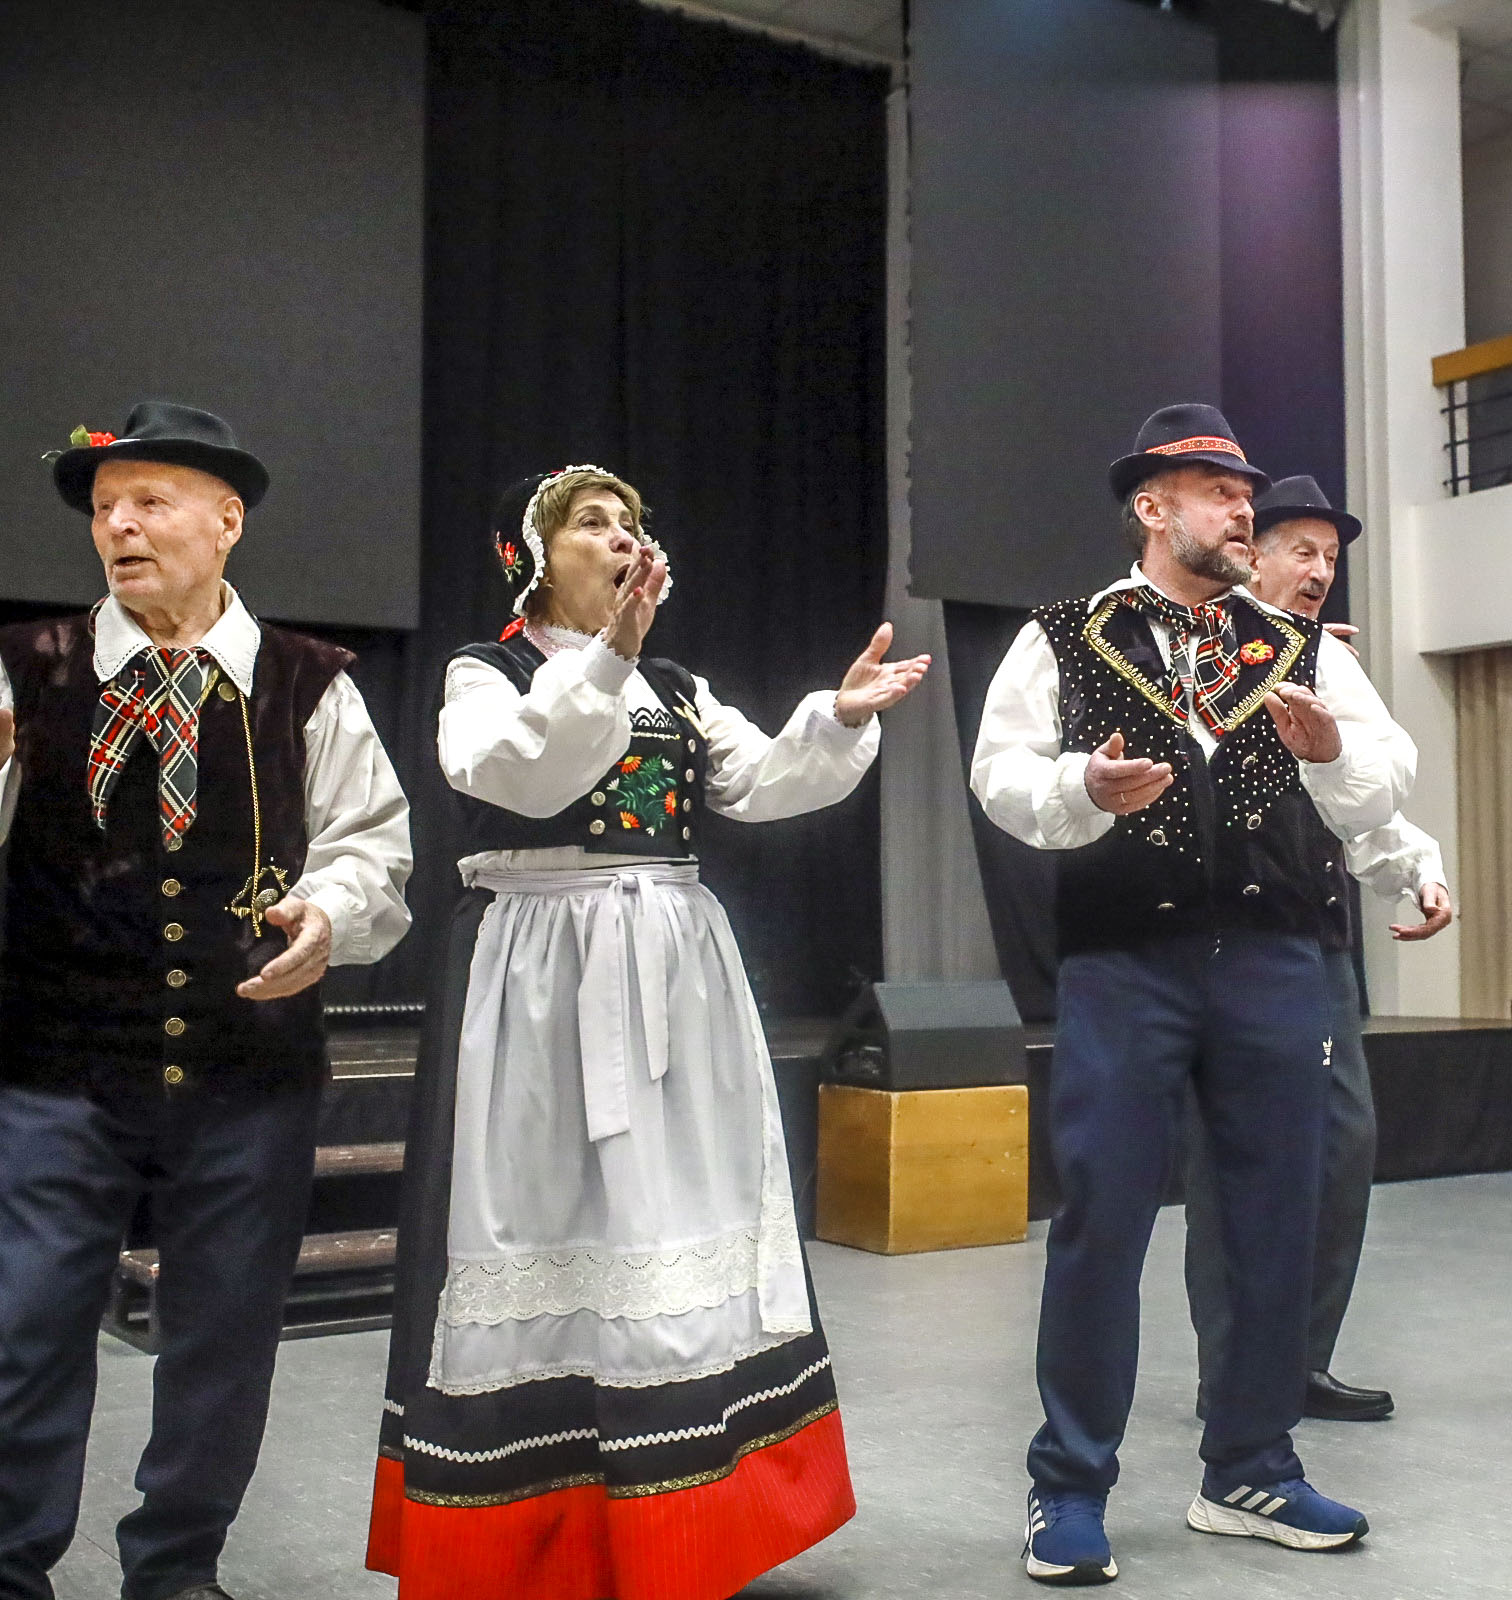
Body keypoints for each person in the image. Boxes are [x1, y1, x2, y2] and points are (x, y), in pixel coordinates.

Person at [368, 465, 928, 1600]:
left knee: (673, 1210)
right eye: (592, 523)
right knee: (547, 1207)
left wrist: (836, 716)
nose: (622, 538)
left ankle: (684, 1517)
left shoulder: (675, 683)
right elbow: (522, 776)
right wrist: (607, 658)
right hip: (540, 970)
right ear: (532, 554)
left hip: (671, 964)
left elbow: (758, 781)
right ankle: (541, 1527)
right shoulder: (484, 673)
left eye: (632, 523)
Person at [971, 407, 1413, 1584]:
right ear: (1152, 506)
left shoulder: (1304, 648)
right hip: (1126, 960)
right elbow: (1001, 774)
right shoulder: (1065, 635)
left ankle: (1251, 1465)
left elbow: (1384, 785)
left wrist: (1330, 756)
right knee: (1103, 1218)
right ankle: (1069, 1483)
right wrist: (1082, 785)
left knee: (1275, 1214)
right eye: (1219, 490)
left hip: (1274, 961)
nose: (1243, 508)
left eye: (1244, 491)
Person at [0, 402, 414, 1600]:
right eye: (104, 509)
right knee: (23, 1330)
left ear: (226, 521)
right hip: (55, 1068)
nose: (119, 527)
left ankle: (177, 1568)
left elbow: (371, 845)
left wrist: (326, 915)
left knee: (223, 1344)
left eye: (150, 502)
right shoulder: (27, 670)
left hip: (248, 1075)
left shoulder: (309, 683)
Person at [1182, 474, 1452, 1426]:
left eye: (1331, 558)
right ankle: (1233, 1373)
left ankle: (1299, 1359)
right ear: (1248, 554)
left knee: (1342, 1144)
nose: (1321, 571)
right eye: (1303, 550)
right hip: (1220, 940)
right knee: (1232, 1157)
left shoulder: (1327, 659)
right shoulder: (1199, 644)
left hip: (1315, 933)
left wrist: (1416, 869)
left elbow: (1361, 792)